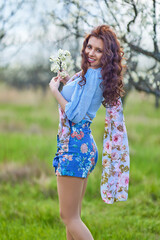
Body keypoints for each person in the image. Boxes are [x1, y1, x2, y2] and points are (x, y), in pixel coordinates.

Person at [49, 25, 130, 240]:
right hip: (82, 146)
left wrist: (55, 92)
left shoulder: (93, 76)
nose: (91, 53)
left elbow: (75, 115)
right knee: (73, 217)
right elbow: (81, 100)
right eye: (89, 47)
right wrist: (68, 83)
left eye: (98, 50)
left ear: (107, 55)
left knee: (69, 218)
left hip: (74, 149)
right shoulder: (93, 75)